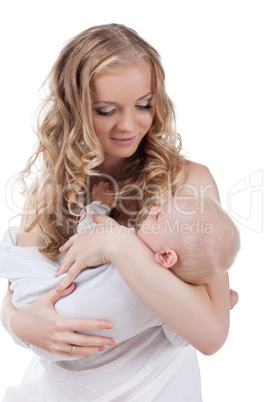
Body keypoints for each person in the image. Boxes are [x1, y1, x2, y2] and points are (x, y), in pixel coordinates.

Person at [0, 23, 238, 401]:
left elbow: (211, 332)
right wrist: (16, 324)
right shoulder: (50, 191)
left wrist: (117, 243)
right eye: (107, 110)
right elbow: (21, 287)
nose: (129, 125)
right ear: (74, 109)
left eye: (144, 104)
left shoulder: (186, 185)